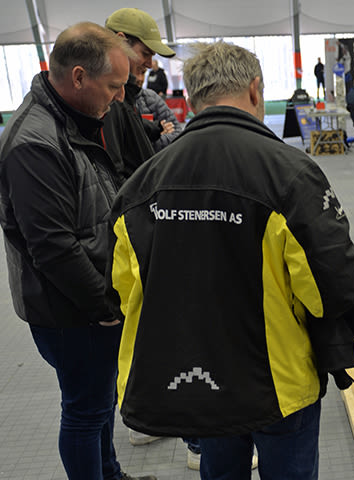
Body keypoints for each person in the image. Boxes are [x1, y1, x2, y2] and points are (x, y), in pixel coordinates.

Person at [108, 41, 354, 480]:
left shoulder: (143, 183)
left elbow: (124, 289)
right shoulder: (290, 173)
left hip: (197, 379)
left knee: (220, 468)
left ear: (191, 98)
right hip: (278, 380)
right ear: (254, 89)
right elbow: (334, 283)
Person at [0, 22, 154, 480]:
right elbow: (51, 246)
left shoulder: (76, 120)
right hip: (70, 311)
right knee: (85, 412)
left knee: (100, 400)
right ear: (80, 77)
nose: (119, 97)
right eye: (113, 86)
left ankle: (110, 473)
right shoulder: (35, 143)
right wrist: (102, 306)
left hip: (90, 302)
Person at [103, 7, 176, 179]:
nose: (150, 64)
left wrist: (154, 129)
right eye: (145, 54)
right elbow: (114, 175)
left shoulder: (127, 96)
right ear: (120, 43)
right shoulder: (107, 101)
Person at [133, 69, 181, 152]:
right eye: (136, 73)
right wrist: (158, 134)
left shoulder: (151, 97)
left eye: (143, 73)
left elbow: (178, 134)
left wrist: (151, 139)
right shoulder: (115, 103)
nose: (140, 79)